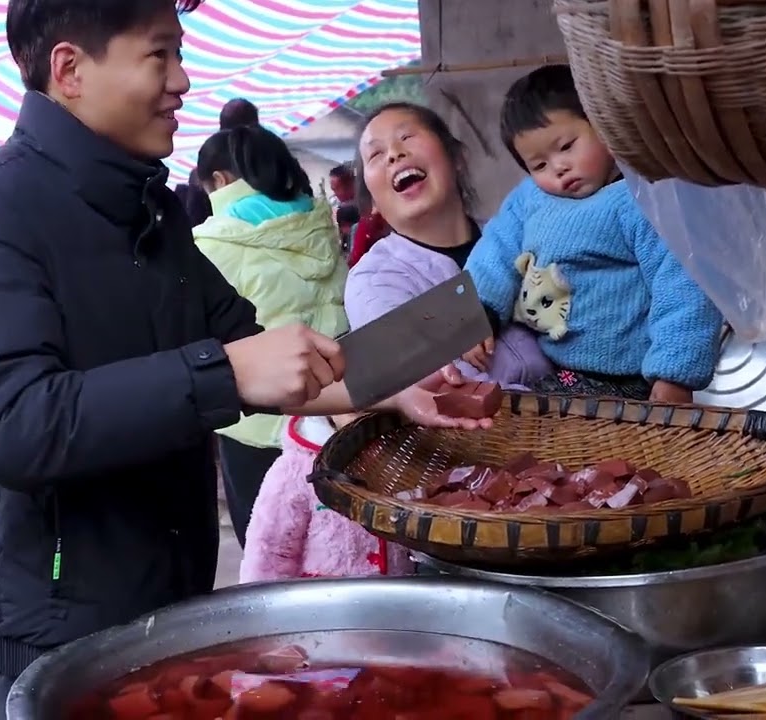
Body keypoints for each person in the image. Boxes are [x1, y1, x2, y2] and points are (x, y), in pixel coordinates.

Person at [0, 2, 488, 717]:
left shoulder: (150, 212)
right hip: (60, 638)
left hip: (178, 608)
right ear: (70, 69)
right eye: (159, 55)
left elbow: (270, 357)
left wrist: (389, 387)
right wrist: (225, 373)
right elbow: (14, 425)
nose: (183, 80)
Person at [461, 65, 723, 401]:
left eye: (567, 146)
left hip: (634, 380)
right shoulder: (528, 199)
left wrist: (675, 374)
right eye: (539, 165)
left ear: (606, 126)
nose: (558, 167)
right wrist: (478, 313)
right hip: (558, 372)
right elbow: (494, 253)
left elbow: (683, 284)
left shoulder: (643, 197)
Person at [191, 124, 349, 547]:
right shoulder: (320, 224)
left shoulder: (210, 242)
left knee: (269, 549)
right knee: (330, 542)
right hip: (333, 407)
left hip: (257, 421)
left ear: (220, 182)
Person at [348, 102, 551, 386]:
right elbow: (442, 392)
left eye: (407, 137)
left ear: (457, 157)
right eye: (376, 154)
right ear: (371, 204)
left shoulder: (515, 237)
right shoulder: (374, 282)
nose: (394, 154)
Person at [238, 411, 413, 582]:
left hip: (394, 600)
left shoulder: (407, 462)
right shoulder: (295, 469)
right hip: (320, 603)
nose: (362, 403)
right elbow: (268, 551)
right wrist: (267, 607)